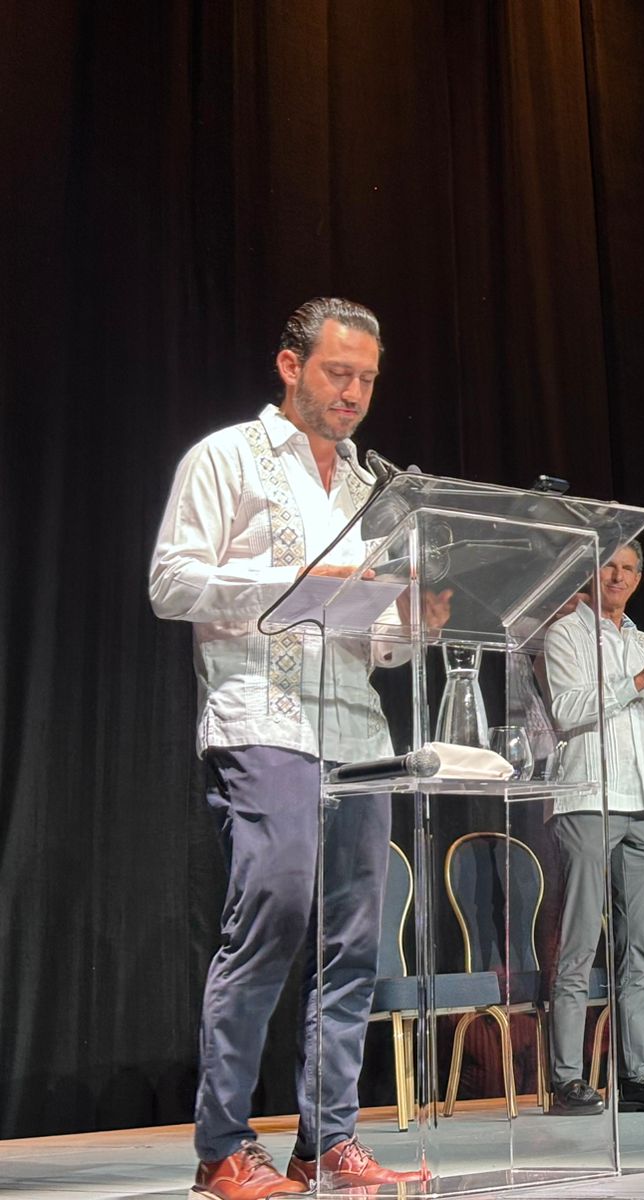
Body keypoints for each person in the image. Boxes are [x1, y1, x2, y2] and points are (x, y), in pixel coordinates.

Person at [150, 298, 432, 1199]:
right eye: (336, 374)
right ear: (290, 365)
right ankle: (222, 1146)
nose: (352, 395)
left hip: (356, 726)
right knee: (270, 915)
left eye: (366, 381)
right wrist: (298, 584)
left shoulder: (373, 488)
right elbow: (170, 580)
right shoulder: (227, 456)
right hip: (263, 716)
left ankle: (329, 1141)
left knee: (354, 942)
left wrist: (413, 620)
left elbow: (382, 640)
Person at [541, 541, 644, 1115]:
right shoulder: (565, 635)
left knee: (640, 953)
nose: (619, 575)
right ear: (591, 570)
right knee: (581, 942)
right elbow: (568, 708)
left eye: (630, 568)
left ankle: (637, 1073)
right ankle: (567, 1078)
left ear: (639, 578)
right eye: (610, 565)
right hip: (588, 797)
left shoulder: (641, 640)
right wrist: (640, 677)